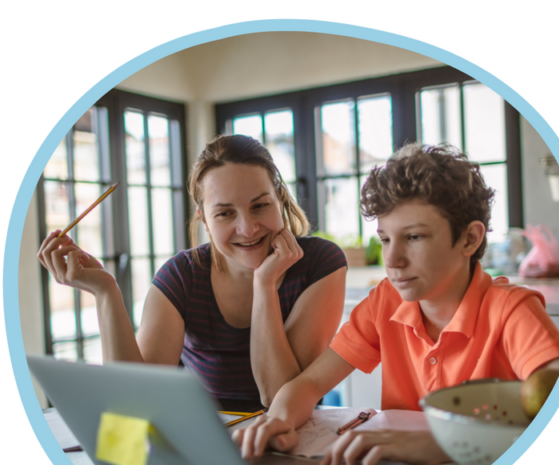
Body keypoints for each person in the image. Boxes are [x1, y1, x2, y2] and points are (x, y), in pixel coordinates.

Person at [234, 143, 559, 465]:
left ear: (469, 239)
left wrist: (439, 445)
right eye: (385, 239)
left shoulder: (511, 310)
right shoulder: (385, 301)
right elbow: (308, 385)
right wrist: (277, 421)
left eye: (414, 238)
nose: (392, 261)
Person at [37, 135, 347, 408]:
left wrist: (264, 284)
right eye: (225, 213)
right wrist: (105, 292)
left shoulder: (321, 263)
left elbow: (278, 396)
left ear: (279, 199)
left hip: (296, 441)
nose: (248, 228)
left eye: (260, 206)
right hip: (207, 446)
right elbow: (133, 400)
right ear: (203, 219)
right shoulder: (182, 276)